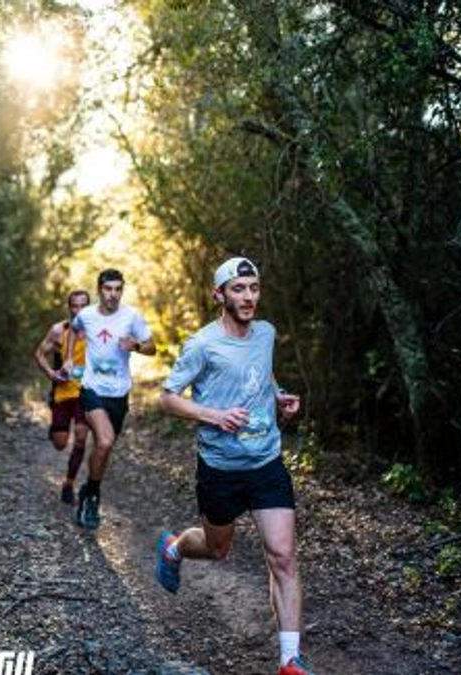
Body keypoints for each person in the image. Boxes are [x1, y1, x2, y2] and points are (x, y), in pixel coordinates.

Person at [152, 256, 314, 675]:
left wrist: (278, 396)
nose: (248, 297)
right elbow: (167, 398)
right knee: (217, 548)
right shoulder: (202, 344)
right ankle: (174, 546)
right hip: (220, 468)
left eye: (253, 288)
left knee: (283, 557)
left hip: (265, 462)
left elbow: (262, 373)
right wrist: (214, 415)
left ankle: (289, 661)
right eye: (238, 289)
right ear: (218, 294)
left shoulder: (266, 333)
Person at [60, 268, 155, 529]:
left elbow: (152, 347)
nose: (112, 294)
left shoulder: (132, 316)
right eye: (107, 289)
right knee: (105, 440)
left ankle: (88, 491)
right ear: (100, 289)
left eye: (117, 289)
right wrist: (68, 357)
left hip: (119, 393)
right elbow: (73, 329)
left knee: (104, 447)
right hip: (91, 389)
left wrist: (135, 346)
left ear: (121, 290)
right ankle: (93, 497)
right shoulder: (87, 315)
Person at [33, 289, 92, 504]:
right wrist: (51, 373)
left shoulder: (97, 330)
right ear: (69, 308)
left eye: (83, 306)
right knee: (60, 443)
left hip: (86, 392)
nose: (78, 311)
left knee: (81, 437)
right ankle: (55, 428)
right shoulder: (59, 330)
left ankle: (68, 484)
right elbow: (39, 354)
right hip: (63, 392)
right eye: (74, 306)